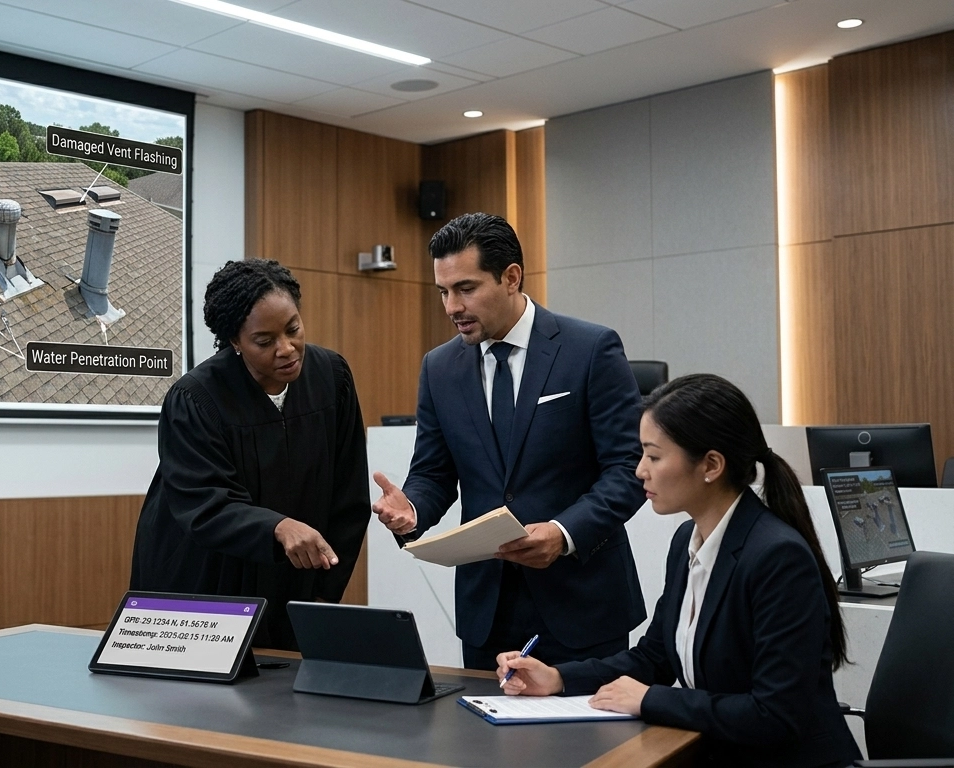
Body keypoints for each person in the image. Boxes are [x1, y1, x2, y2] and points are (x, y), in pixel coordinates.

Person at [498, 374, 861, 768]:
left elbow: (774, 714)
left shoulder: (777, 557)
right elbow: (654, 658)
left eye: (653, 457)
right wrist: (558, 678)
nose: (640, 471)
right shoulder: (688, 539)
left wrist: (649, 699)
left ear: (711, 465)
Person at [371, 212, 646, 668]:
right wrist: (412, 510)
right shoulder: (439, 368)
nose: (451, 307)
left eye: (466, 288)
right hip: (487, 610)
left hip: (582, 603)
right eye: (443, 291)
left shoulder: (590, 349)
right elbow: (433, 472)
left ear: (511, 277)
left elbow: (628, 468)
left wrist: (563, 533)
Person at [129, 259, 370, 650]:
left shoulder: (331, 378)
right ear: (235, 341)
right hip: (206, 582)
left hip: (292, 582)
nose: (286, 349)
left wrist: (325, 589)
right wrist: (277, 527)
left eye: (293, 328)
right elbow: (205, 502)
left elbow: (348, 493)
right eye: (264, 340)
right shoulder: (196, 398)